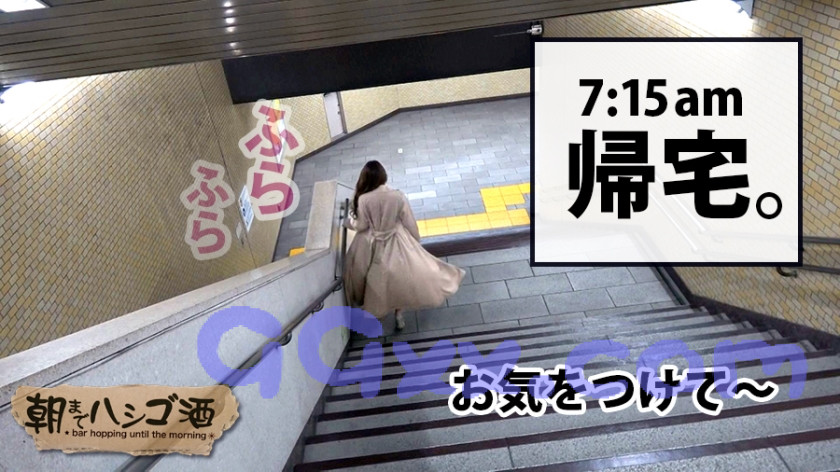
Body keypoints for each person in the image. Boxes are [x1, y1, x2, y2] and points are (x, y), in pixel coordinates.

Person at [344, 160, 466, 331]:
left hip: (375, 244)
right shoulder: (397, 196)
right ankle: (399, 314)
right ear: (383, 176)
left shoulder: (364, 199)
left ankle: (379, 309)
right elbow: (408, 220)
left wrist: (349, 223)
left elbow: (362, 225)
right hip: (398, 240)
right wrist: (415, 241)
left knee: (380, 279)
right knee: (401, 277)